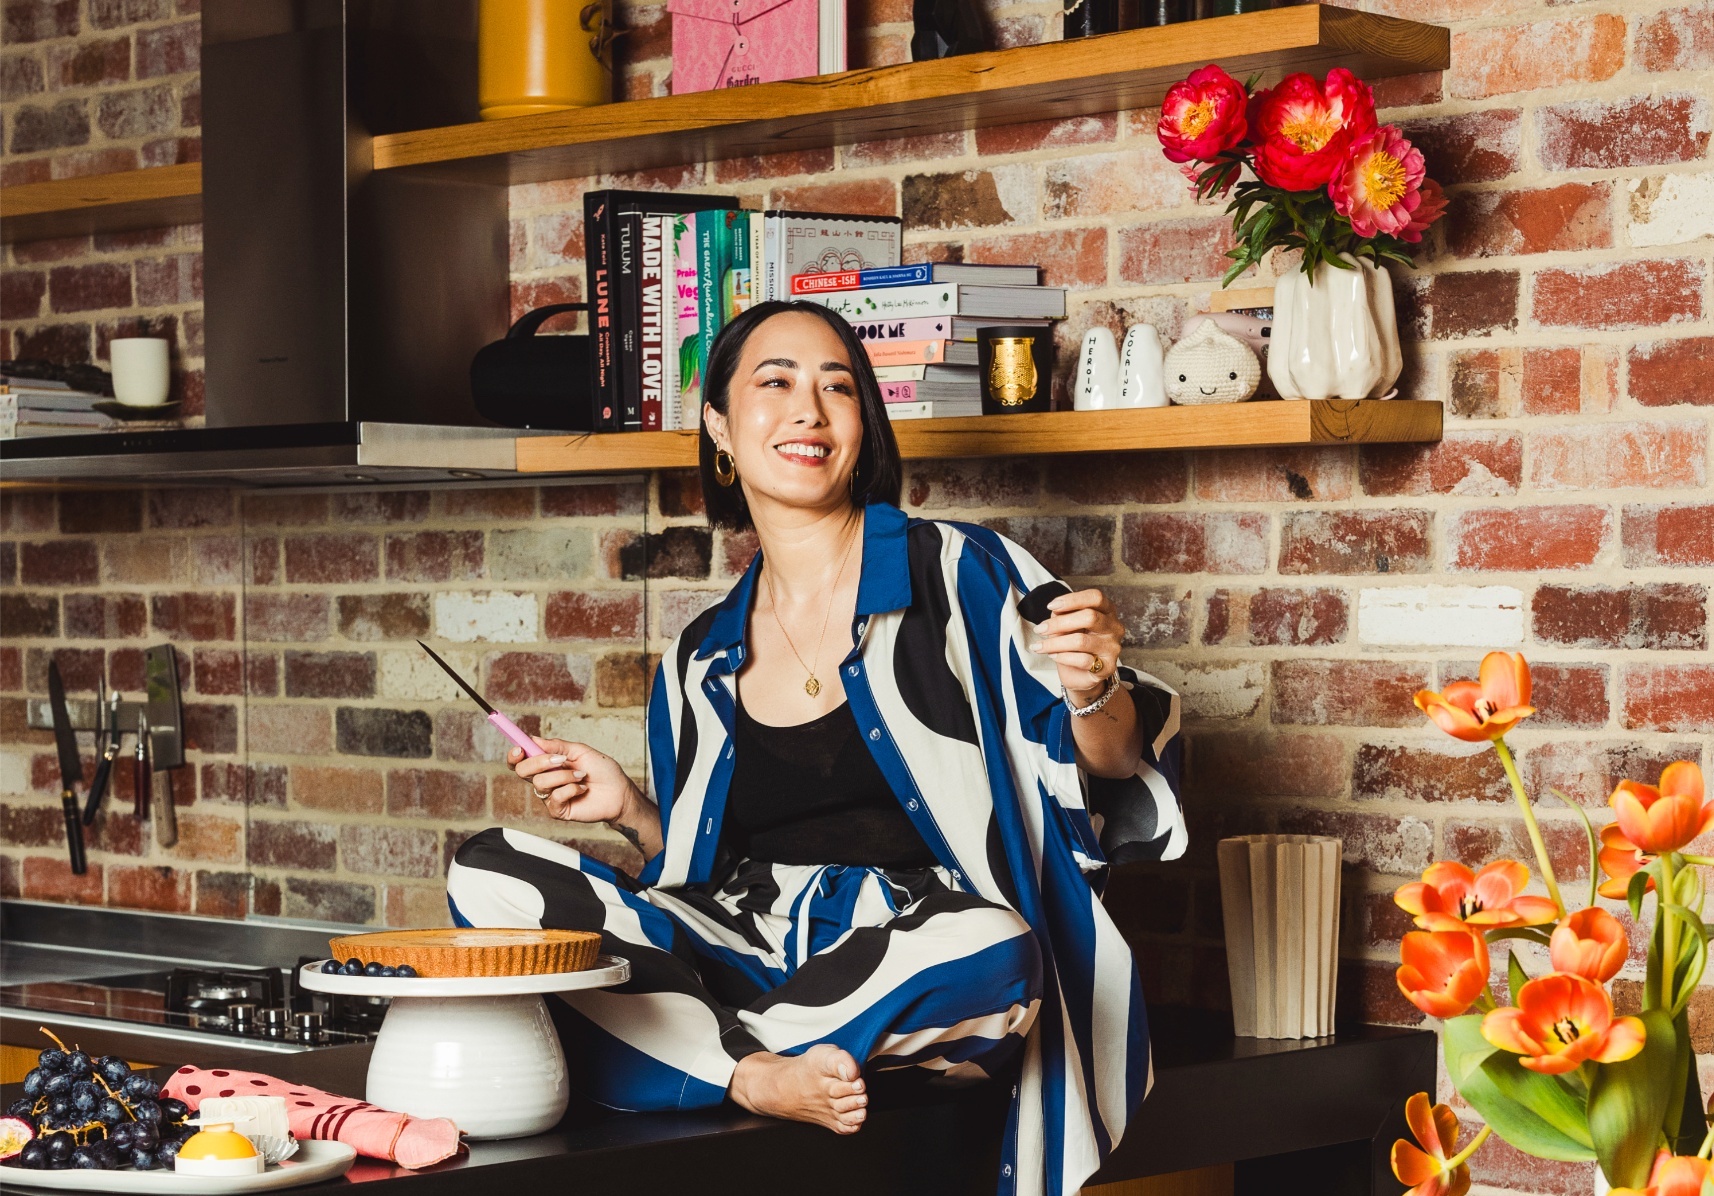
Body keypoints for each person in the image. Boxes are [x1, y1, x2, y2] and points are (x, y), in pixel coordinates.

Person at [446, 300, 1185, 1196]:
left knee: (992, 943)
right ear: (718, 423)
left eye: (838, 386)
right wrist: (634, 812)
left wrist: (1094, 687)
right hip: (750, 949)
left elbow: (1108, 774)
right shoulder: (698, 655)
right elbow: (694, 883)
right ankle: (755, 1073)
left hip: (918, 959)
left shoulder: (964, 574)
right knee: (489, 871)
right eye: (777, 383)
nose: (809, 409)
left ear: (863, 425)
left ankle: (696, 1056)